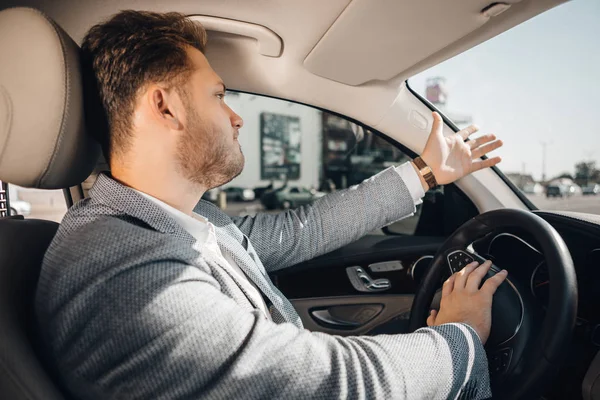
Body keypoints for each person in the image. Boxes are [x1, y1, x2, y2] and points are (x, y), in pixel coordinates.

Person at [35, 10, 506, 400]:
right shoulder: (118, 270)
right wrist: (459, 337)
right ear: (164, 107)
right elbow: (326, 385)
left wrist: (427, 171)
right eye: (218, 95)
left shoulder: (178, 224)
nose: (236, 117)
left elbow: (302, 230)